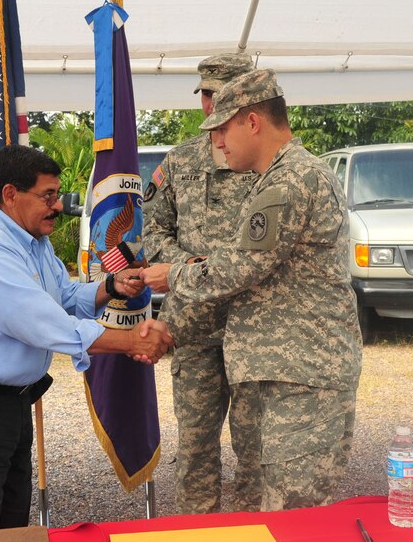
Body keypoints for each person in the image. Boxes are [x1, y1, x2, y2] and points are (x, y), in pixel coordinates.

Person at [0, 144, 173, 539]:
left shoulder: (33, 241)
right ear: (10, 195)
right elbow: (43, 322)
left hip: (5, 407)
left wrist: (109, 286)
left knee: (8, 527)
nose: (58, 207)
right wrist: (135, 340)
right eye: (47, 196)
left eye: (57, 195)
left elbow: (64, 297)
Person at [141, 69, 362, 511]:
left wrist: (174, 275)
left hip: (301, 376)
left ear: (252, 121)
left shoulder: (287, 182)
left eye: (222, 129)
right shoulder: (284, 176)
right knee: (272, 506)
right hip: (289, 371)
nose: (217, 143)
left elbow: (240, 267)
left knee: (291, 517)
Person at [142, 53, 258, 514]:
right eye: (206, 94)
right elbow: (153, 231)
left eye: (219, 94)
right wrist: (189, 267)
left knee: (257, 451)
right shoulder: (180, 160)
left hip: (253, 326)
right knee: (195, 449)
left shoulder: (265, 162)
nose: (209, 104)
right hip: (192, 326)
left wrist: (212, 268)